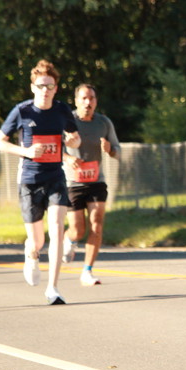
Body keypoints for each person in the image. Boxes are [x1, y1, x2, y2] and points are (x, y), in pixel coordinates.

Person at [0, 59, 81, 305]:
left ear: (56, 88)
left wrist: (73, 142)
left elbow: (75, 138)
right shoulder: (22, 111)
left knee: (57, 228)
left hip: (56, 177)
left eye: (50, 86)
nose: (45, 90)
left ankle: (53, 288)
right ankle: (31, 253)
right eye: (41, 86)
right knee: (38, 241)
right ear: (33, 87)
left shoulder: (62, 110)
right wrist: (27, 152)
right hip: (30, 180)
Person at [62, 84, 121, 286]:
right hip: (72, 182)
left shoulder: (104, 123)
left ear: (96, 101)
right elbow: (54, 148)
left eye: (92, 98)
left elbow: (118, 151)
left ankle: (87, 270)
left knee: (97, 223)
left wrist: (110, 149)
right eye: (84, 98)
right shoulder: (66, 121)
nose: (88, 102)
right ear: (76, 100)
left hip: (97, 181)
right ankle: (69, 239)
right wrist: (67, 158)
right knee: (78, 230)